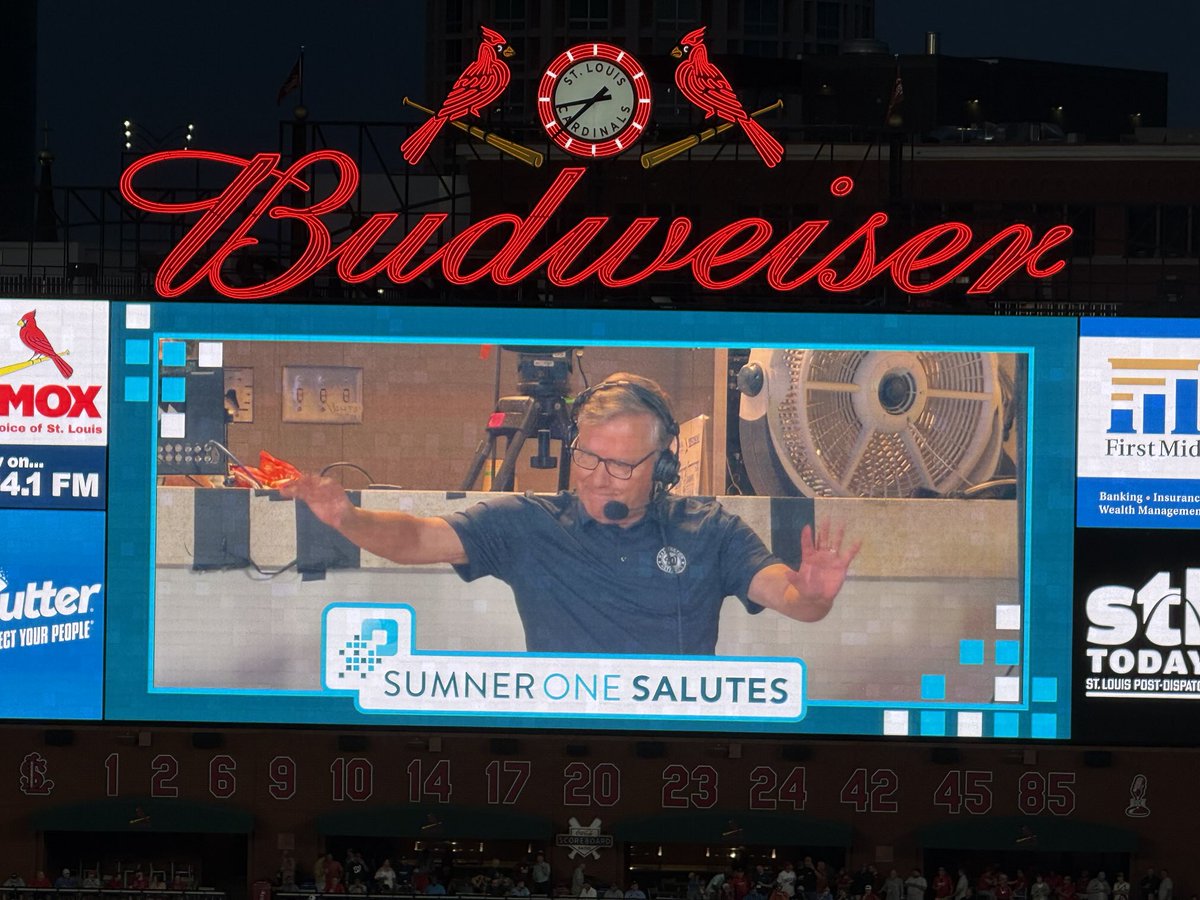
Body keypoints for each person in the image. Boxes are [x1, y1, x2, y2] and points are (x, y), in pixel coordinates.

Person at [282, 375, 858, 656]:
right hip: (561, 746)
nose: (595, 476)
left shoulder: (711, 530)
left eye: (620, 464)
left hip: (671, 747)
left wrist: (816, 594)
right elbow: (415, 538)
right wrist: (348, 519)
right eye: (586, 456)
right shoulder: (527, 524)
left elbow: (793, 601)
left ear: (662, 467)